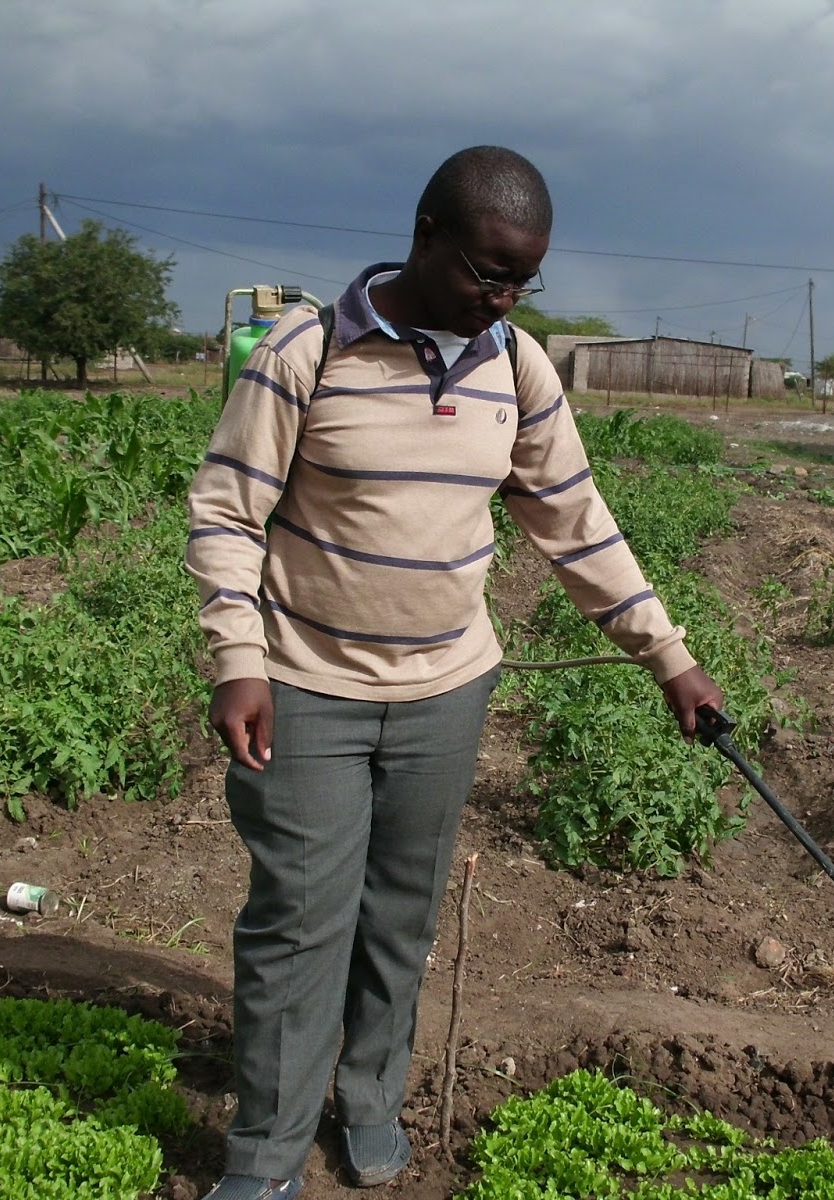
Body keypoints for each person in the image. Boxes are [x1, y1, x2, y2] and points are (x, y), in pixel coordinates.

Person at [184, 146, 723, 1200]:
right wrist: (237, 660)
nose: (503, 297)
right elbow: (226, 510)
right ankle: (265, 1156)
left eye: (524, 280)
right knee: (300, 919)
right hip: (305, 686)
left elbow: (574, 522)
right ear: (425, 235)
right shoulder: (307, 351)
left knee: (400, 914)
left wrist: (671, 659)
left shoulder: (517, 367)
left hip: (446, 693)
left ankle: (369, 1101)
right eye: (488, 272)